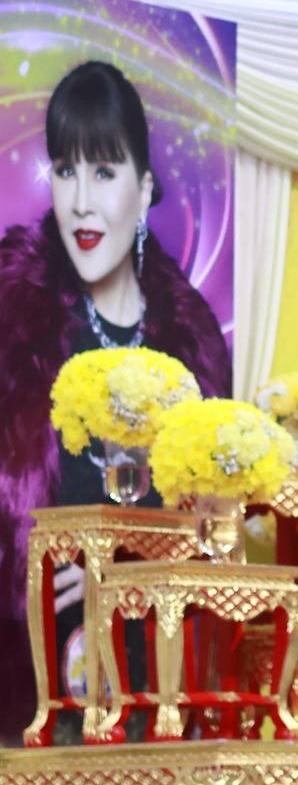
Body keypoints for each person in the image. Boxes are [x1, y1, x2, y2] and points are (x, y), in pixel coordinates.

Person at [0, 60, 232, 744]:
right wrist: (28, 579)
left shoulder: (191, 344)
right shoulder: (12, 319)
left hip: (154, 677)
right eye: (65, 170)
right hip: (26, 683)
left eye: (104, 171)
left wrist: (125, 569)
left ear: (146, 186)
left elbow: (214, 525)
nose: (80, 201)